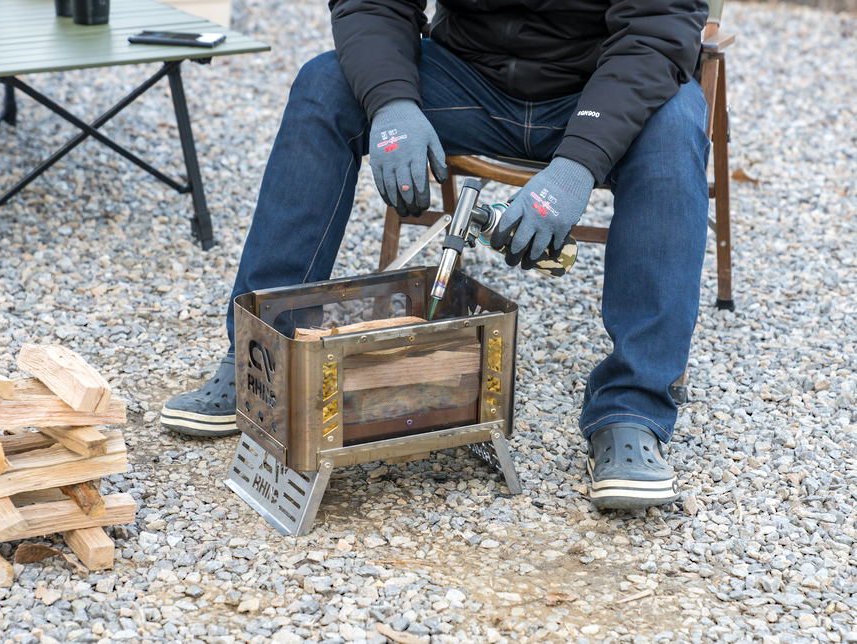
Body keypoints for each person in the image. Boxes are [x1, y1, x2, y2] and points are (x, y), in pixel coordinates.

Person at [161, 0, 711, 510]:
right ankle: (261, 364)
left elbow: (657, 31)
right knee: (323, 84)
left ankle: (632, 408)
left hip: (595, 86)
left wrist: (580, 164)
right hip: (468, 74)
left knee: (677, 124)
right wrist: (392, 101)